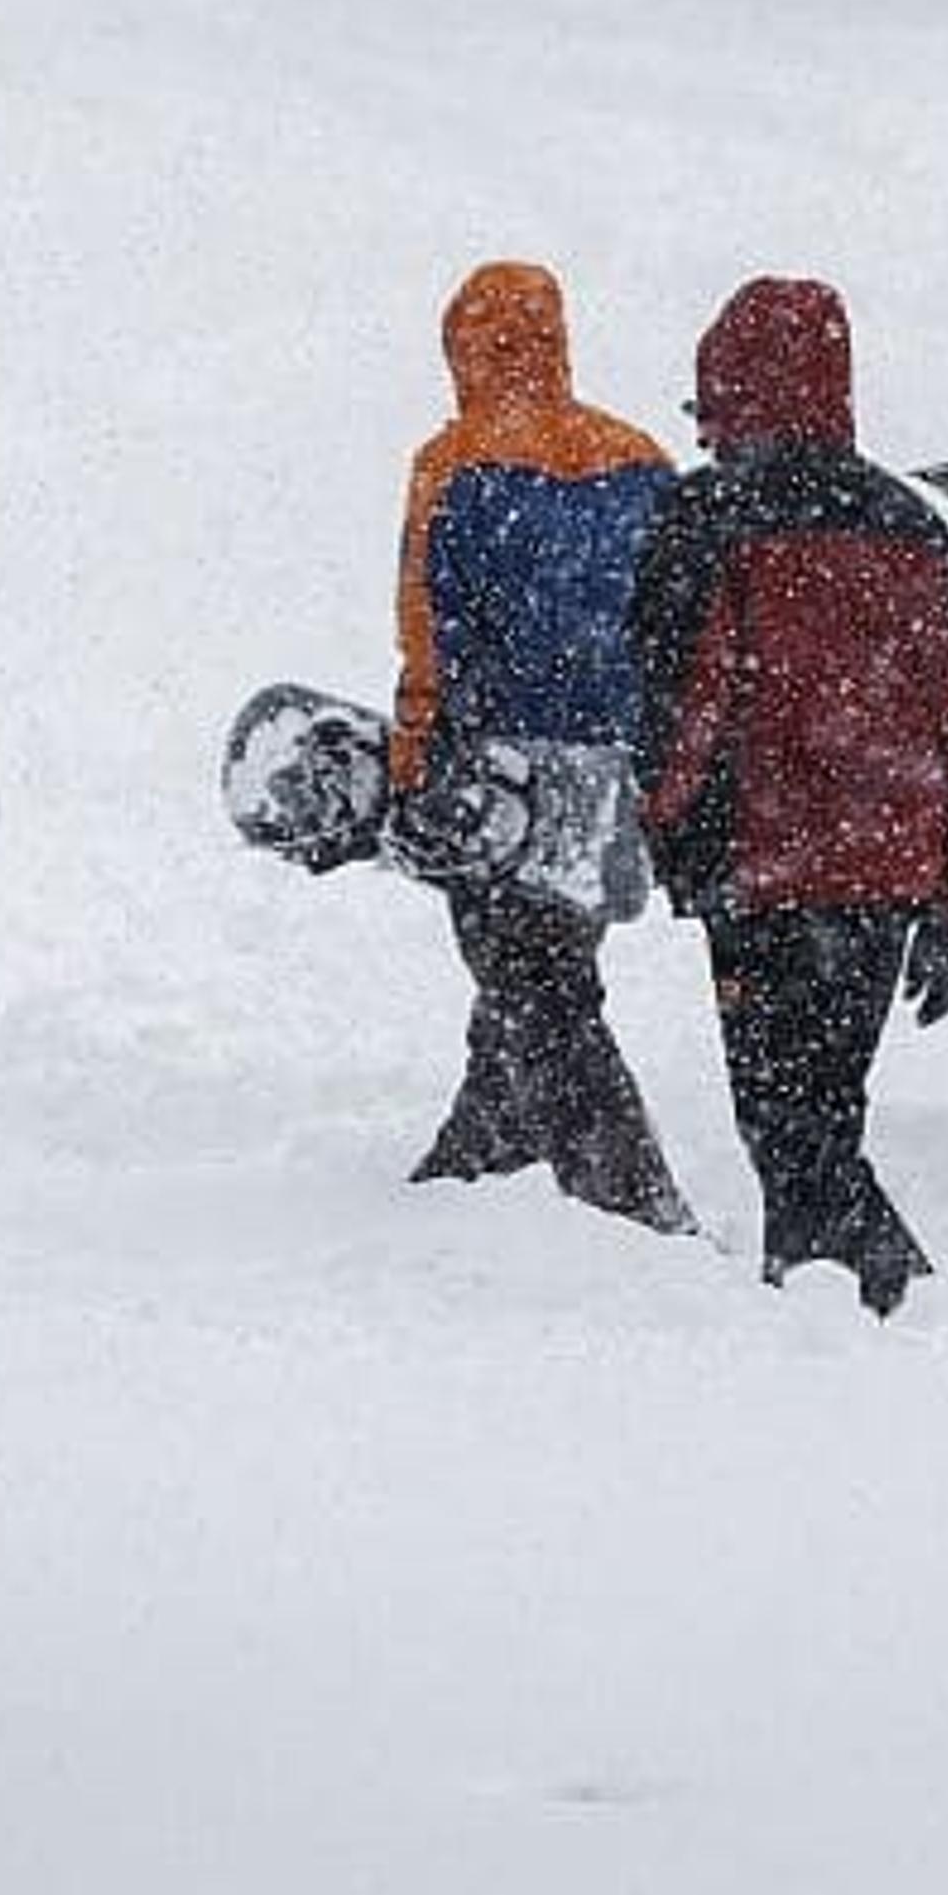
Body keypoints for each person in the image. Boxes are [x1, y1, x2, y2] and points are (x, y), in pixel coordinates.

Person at [628, 276, 948, 1316]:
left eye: (707, 410)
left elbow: (682, 702)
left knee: (786, 1124)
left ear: (731, 391)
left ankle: (886, 1302)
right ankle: (817, 1309)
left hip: (766, 865)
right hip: (887, 864)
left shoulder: (706, 516)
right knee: (824, 1108)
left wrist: (663, 830)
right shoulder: (915, 526)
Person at [389, 260, 692, 1234]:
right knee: (542, 957)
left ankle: (631, 1198)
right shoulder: (640, 455)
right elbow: (680, 617)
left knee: (538, 981)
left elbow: (430, 625)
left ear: (464, 349)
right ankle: (481, 1146)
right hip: (614, 765)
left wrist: (414, 751)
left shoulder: (454, 461)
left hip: (502, 765)